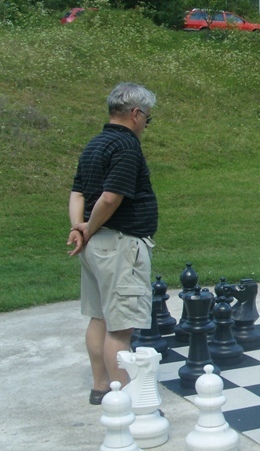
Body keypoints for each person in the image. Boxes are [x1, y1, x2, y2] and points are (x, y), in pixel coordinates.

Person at [67, 82, 158, 405]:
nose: (146, 124)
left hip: (95, 247)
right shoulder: (126, 146)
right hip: (120, 246)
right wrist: (89, 228)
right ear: (135, 114)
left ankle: (101, 387)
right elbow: (110, 198)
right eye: (147, 118)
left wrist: (79, 229)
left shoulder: (95, 144)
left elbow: (78, 193)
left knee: (99, 318)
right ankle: (127, 402)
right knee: (120, 329)